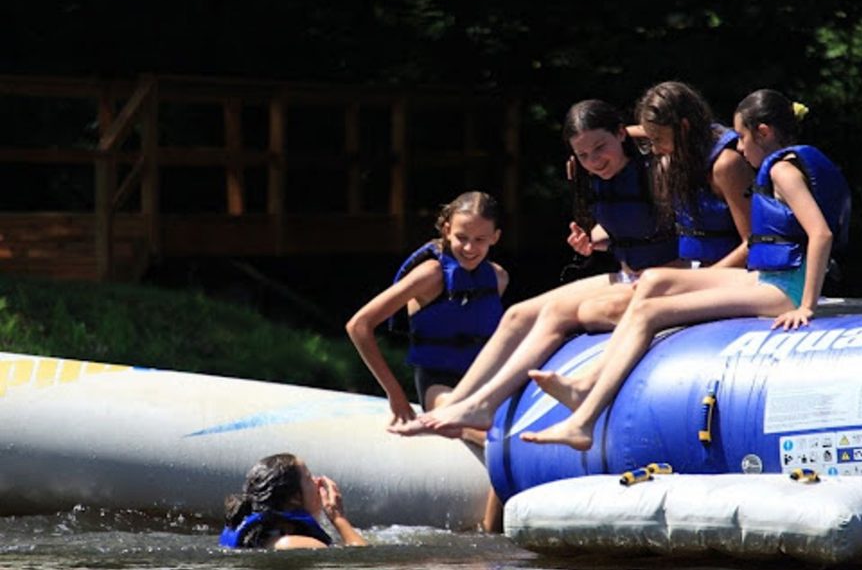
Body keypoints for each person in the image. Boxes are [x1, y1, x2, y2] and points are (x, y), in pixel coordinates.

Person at [393, 84, 753, 438]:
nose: (594, 161)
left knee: (570, 314)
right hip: (634, 273)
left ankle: (488, 404)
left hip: (676, 274)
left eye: (601, 148)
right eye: (583, 154)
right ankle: (462, 402)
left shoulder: (673, 163)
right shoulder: (616, 162)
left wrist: (698, 281)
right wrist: (597, 236)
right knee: (518, 314)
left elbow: (750, 240)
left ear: (623, 135)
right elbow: (632, 209)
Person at [521, 88, 851, 450]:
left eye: (741, 137)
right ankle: (586, 383)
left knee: (650, 311)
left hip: (782, 289)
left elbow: (821, 234)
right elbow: (645, 132)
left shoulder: (784, 172)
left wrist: (806, 306)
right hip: (768, 278)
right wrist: (603, 143)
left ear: (764, 133)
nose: (738, 148)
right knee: (655, 279)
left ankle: (583, 422)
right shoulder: (781, 165)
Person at [345, 190, 508, 531]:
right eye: (461, 237)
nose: (469, 248)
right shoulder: (430, 275)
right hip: (440, 385)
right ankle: (493, 537)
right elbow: (359, 325)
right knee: (502, 439)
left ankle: (493, 536)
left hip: (482, 386)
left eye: (480, 239)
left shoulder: (498, 278)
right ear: (446, 229)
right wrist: (395, 393)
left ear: (496, 237)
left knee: (507, 442)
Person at [220, 453, 367, 549]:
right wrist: (338, 518)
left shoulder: (263, 536)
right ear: (295, 498)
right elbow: (367, 563)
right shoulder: (296, 544)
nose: (317, 482)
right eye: (309, 478)